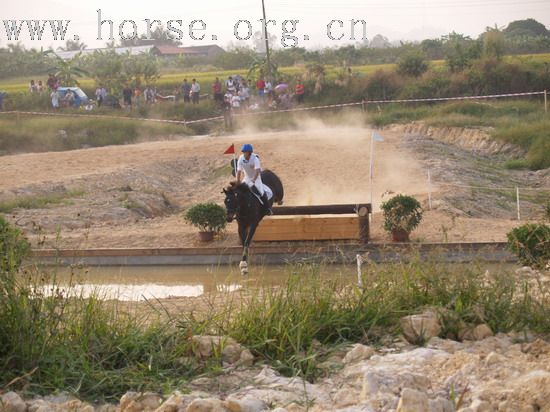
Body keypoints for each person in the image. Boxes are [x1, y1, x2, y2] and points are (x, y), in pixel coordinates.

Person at [236, 144, 273, 216]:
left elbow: (258, 170)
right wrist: (238, 180)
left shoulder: (255, 158)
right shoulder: (241, 158)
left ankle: (267, 208)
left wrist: (254, 179)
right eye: (243, 152)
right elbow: (239, 171)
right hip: (246, 178)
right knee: (240, 191)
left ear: (250, 152)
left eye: (245, 152)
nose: (244, 154)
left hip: (256, 178)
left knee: (260, 192)